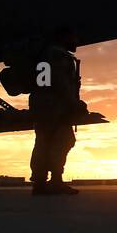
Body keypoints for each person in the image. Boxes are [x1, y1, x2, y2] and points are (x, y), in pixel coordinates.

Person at [29, 25, 85, 195]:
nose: (76, 41)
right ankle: (55, 181)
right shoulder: (59, 55)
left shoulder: (44, 55)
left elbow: (44, 82)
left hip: (42, 104)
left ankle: (39, 182)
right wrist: (74, 104)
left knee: (43, 142)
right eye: (73, 37)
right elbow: (61, 83)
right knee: (63, 141)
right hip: (56, 106)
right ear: (64, 38)